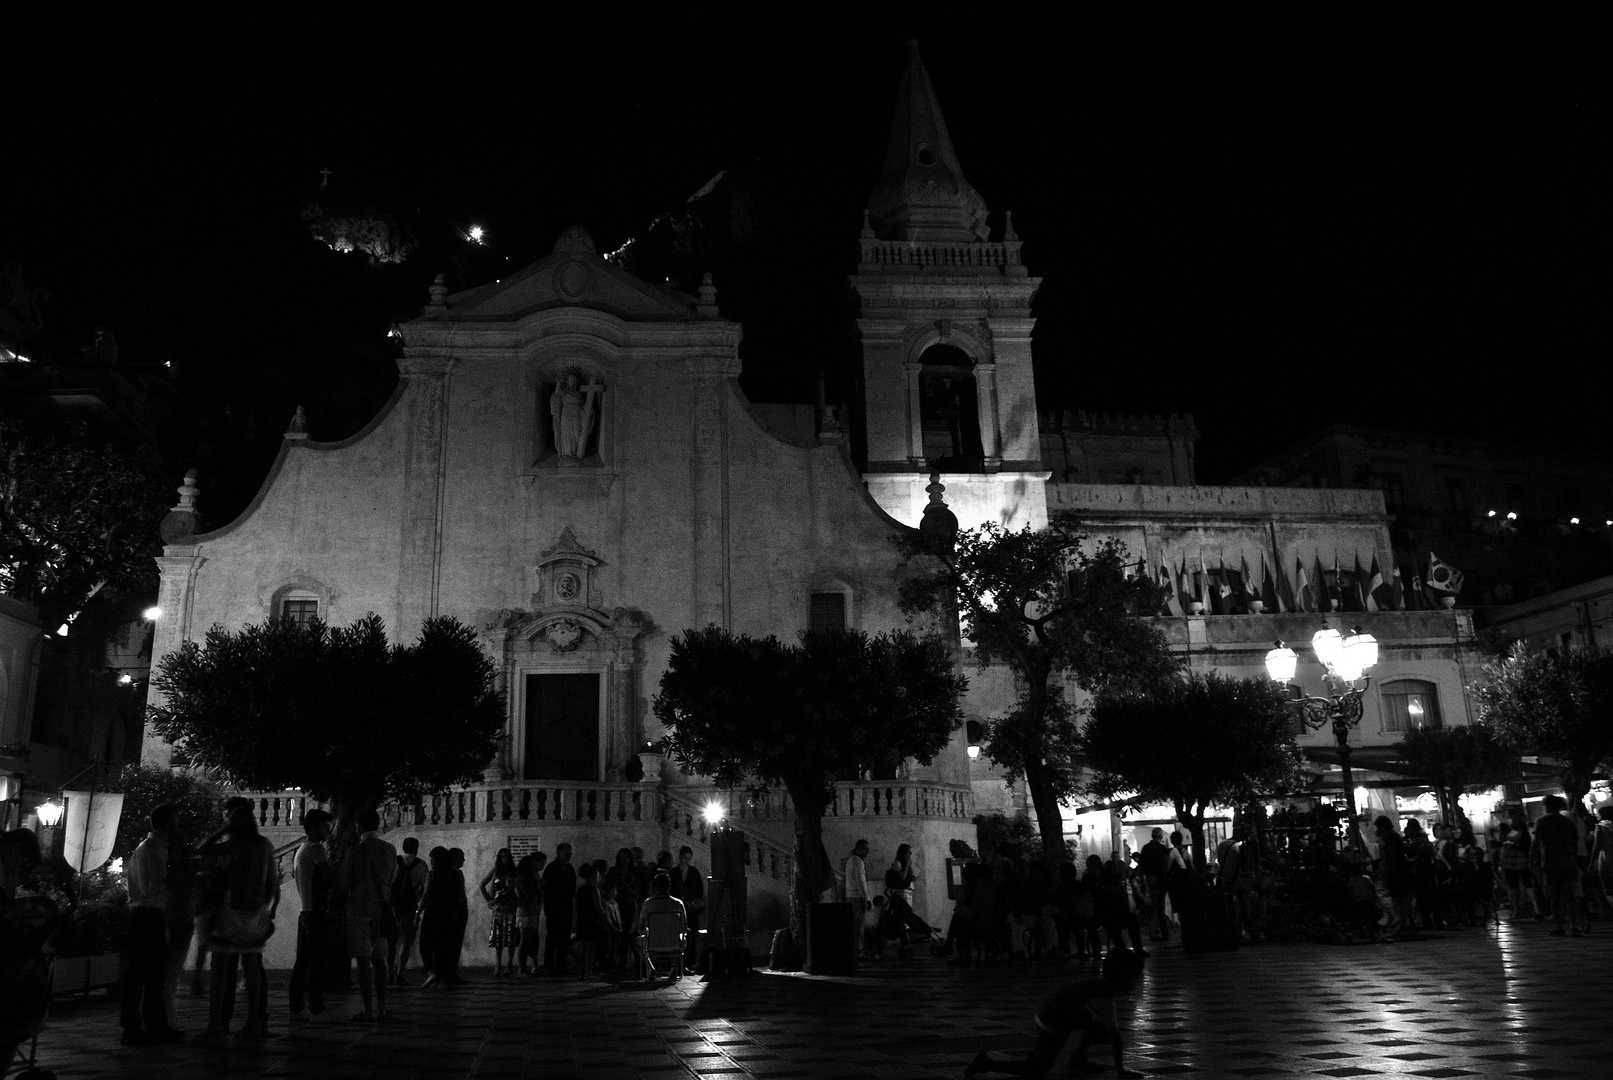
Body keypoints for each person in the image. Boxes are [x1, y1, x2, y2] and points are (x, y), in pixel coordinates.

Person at [965, 948, 1146, 1077]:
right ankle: (986, 1064)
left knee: (1098, 1027)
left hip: (1053, 1014)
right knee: (1035, 1069)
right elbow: (1116, 1038)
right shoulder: (1104, 996)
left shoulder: (1099, 985)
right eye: (1135, 978)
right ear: (1123, 978)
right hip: (1053, 1022)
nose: (1137, 983)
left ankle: (1076, 1058)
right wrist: (1120, 1070)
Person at [193, 803, 279, 1046]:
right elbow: (272, 882)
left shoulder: (235, 845)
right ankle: (253, 1022)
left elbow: (204, 850)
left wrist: (222, 831)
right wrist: (269, 907)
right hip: (255, 912)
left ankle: (215, 1027)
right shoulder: (264, 846)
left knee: (220, 971)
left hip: (231, 913)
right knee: (252, 970)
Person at [119, 804, 186, 1046]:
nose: (179, 826)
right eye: (176, 821)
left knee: (156, 974)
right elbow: (149, 889)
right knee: (138, 975)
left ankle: (155, 1023)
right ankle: (133, 1027)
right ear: (168, 822)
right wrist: (174, 874)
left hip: (154, 915)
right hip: (144, 915)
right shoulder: (148, 851)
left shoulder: (160, 849)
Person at [340, 808, 397, 1021]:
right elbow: (391, 879)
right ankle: (382, 1007)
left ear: (359, 826)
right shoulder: (389, 849)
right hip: (381, 910)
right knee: (380, 960)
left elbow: (344, 882)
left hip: (358, 909)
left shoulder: (354, 851)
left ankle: (368, 1008)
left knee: (363, 961)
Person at [288, 808, 333, 1022]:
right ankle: (316, 1002)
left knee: (302, 960)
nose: (328, 832)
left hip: (305, 911)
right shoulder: (316, 850)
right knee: (317, 960)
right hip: (316, 911)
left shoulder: (302, 849)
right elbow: (328, 877)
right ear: (314, 827)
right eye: (325, 827)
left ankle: (296, 1003)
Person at [1534, 795, 1587, 936]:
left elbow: (1537, 843)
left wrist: (1534, 860)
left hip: (1550, 862)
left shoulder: (1542, 821)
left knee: (1554, 896)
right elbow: (1574, 843)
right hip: (1567, 861)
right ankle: (1574, 925)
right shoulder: (1567, 822)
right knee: (1571, 895)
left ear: (1546, 806)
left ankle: (1558, 926)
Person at [387, 837, 429, 985]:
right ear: (416, 848)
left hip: (391, 905)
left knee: (390, 940)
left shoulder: (394, 861)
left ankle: (389, 973)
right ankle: (400, 973)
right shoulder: (421, 865)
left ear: (403, 847)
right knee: (406, 940)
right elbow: (425, 889)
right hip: (409, 906)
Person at [418, 847, 458, 989]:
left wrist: (418, 913)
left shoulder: (432, 875)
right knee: (442, 946)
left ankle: (432, 972)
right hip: (448, 914)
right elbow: (459, 896)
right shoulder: (454, 874)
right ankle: (439, 976)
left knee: (426, 945)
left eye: (433, 859)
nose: (432, 862)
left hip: (433, 913)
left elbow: (426, 895)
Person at [1373, 816, 1415, 937]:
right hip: (1401, 870)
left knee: (1400, 899)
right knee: (1403, 899)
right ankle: (1408, 924)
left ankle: (1404, 924)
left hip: (1398, 872)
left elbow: (1391, 858)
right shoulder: (1394, 836)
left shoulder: (1390, 838)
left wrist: (1387, 874)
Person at [480, 847, 519, 975]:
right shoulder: (495, 871)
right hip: (498, 908)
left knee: (511, 937)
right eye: (503, 857)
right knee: (498, 938)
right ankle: (498, 964)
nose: (506, 859)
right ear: (499, 858)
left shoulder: (515, 871)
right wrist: (488, 900)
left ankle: (509, 964)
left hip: (512, 908)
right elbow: (482, 885)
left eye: (507, 856)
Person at [542, 843, 578, 976]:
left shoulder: (570, 869)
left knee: (564, 938)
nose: (569, 856)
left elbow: (572, 888)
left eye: (570, 853)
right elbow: (547, 889)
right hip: (553, 908)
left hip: (566, 907)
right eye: (566, 853)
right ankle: (549, 966)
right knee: (552, 937)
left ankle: (560, 965)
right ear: (559, 853)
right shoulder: (551, 868)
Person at [605, 848, 640, 972]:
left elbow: (637, 887)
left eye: (627, 857)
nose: (624, 859)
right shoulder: (614, 871)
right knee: (619, 932)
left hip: (629, 904)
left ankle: (623, 960)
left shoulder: (633, 872)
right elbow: (609, 886)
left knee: (627, 932)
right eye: (622, 856)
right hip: (617, 904)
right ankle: (616, 960)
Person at [669, 846, 705, 965]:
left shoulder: (694, 871)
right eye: (685, 858)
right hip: (679, 908)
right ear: (680, 858)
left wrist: (694, 900)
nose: (687, 861)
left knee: (693, 934)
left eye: (689, 858)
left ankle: (691, 961)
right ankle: (680, 961)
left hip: (691, 908)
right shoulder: (674, 872)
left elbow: (699, 888)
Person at [514, 852, 545, 976]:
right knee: (525, 940)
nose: (534, 867)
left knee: (531, 939)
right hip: (526, 911)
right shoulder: (522, 878)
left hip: (533, 911)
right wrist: (539, 885)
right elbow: (529, 894)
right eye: (532, 865)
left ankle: (529, 966)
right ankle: (521, 968)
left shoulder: (532, 877)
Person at [1137, 828, 1171, 941]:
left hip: (1149, 877)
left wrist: (1142, 880)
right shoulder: (1162, 849)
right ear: (1160, 836)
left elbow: (1141, 866)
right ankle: (1159, 931)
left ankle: (1158, 931)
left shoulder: (1146, 848)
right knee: (1159, 905)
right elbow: (1165, 865)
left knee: (1155, 905)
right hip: (1159, 878)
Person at [575, 863, 607, 978]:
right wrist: (604, 916)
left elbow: (576, 906)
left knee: (583, 947)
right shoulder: (594, 890)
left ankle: (582, 972)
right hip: (592, 920)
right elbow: (598, 907)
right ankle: (589, 971)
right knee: (591, 948)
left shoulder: (580, 890)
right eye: (597, 876)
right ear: (593, 876)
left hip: (582, 919)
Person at [445, 848, 470, 983]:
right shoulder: (457, 873)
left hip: (446, 912)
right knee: (454, 944)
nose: (463, 860)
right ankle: (451, 973)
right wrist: (464, 911)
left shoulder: (440, 872)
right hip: (457, 912)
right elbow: (460, 894)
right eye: (461, 857)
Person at [843, 839, 871, 954]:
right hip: (857, 897)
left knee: (854, 924)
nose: (867, 852)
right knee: (859, 925)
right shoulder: (858, 861)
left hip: (850, 896)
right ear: (858, 848)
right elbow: (860, 881)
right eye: (865, 849)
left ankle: (854, 949)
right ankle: (858, 950)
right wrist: (867, 898)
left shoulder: (850, 860)